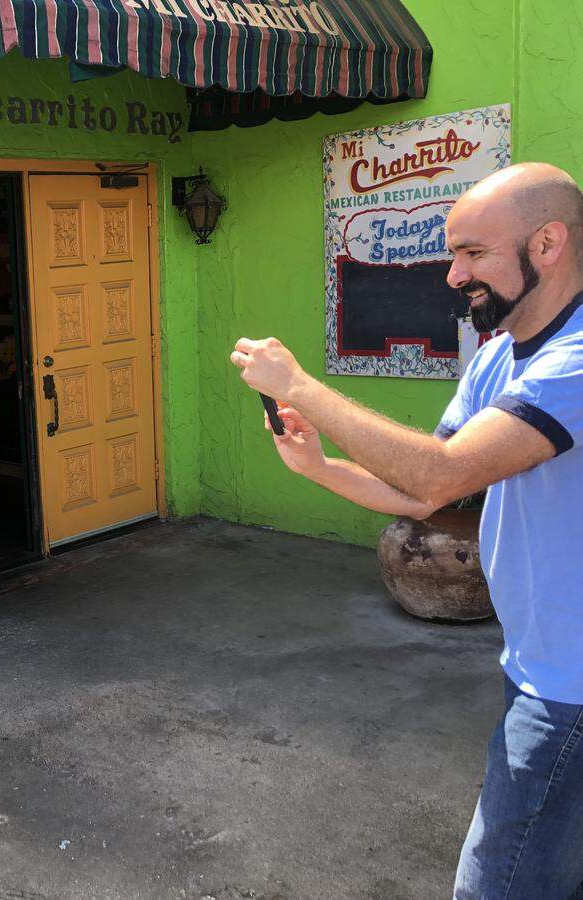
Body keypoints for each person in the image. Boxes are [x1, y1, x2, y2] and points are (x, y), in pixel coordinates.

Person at [230, 162, 583, 899]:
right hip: (538, 666)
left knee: (499, 885)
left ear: (547, 244)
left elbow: (441, 473)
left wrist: (298, 385)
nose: (453, 275)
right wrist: (317, 467)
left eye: (474, 253)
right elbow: (421, 495)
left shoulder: (573, 363)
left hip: (569, 689)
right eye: (453, 253)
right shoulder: (496, 359)